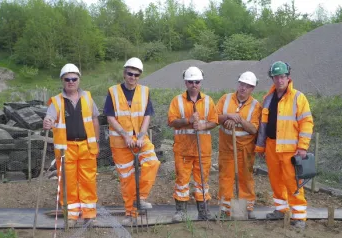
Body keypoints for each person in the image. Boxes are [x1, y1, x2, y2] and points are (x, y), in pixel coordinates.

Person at [255, 61, 314, 229]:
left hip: (291, 150)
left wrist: (302, 147)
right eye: (276, 77)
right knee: (276, 180)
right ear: (272, 78)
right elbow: (263, 125)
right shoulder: (267, 99)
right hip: (271, 147)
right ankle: (280, 210)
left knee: (293, 183)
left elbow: (307, 123)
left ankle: (299, 217)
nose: (279, 80)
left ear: (288, 78)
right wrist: (261, 146)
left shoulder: (298, 97)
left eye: (282, 77)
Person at [104, 57, 160, 225]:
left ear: (139, 76)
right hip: (120, 142)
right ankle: (131, 213)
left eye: (136, 75)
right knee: (127, 177)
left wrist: (142, 136)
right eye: (130, 74)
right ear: (124, 73)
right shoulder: (113, 92)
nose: (132, 77)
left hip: (140, 139)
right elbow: (110, 116)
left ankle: (140, 198)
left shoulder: (144, 91)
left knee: (153, 163)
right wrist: (125, 136)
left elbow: (147, 115)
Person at [43, 63, 100, 228]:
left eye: (74, 78)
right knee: (67, 182)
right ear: (62, 81)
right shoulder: (56, 101)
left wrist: (96, 140)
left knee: (88, 180)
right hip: (65, 149)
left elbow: (95, 119)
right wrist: (48, 121)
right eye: (67, 79)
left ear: (79, 79)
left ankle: (89, 214)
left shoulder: (88, 98)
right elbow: (50, 116)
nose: (71, 82)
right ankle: (72, 215)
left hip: (86, 147)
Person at [168, 66, 218, 221]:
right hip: (183, 149)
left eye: (196, 82)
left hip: (202, 150)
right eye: (191, 82)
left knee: (202, 181)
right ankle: (181, 212)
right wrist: (187, 120)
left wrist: (203, 125)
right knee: (182, 181)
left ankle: (203, 212)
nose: (194, 84)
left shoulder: (208, 101)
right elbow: (171, 121)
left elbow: (214, 121)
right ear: (186, 83)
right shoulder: (177, 101)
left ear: (200, 82)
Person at [216, 71, 262, 219]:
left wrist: (239, 120)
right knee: (226, 176)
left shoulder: (256, 106)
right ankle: (225, 208)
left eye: (248, 86)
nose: (243, 88)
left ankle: (246, 208)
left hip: (246, 149)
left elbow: (254, 128)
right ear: (238, 84)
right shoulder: (226, 99)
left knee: (246, 178)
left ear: (252, 89)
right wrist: (228, 117)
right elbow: (214, 117)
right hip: (227, 147)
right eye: (242, 84)